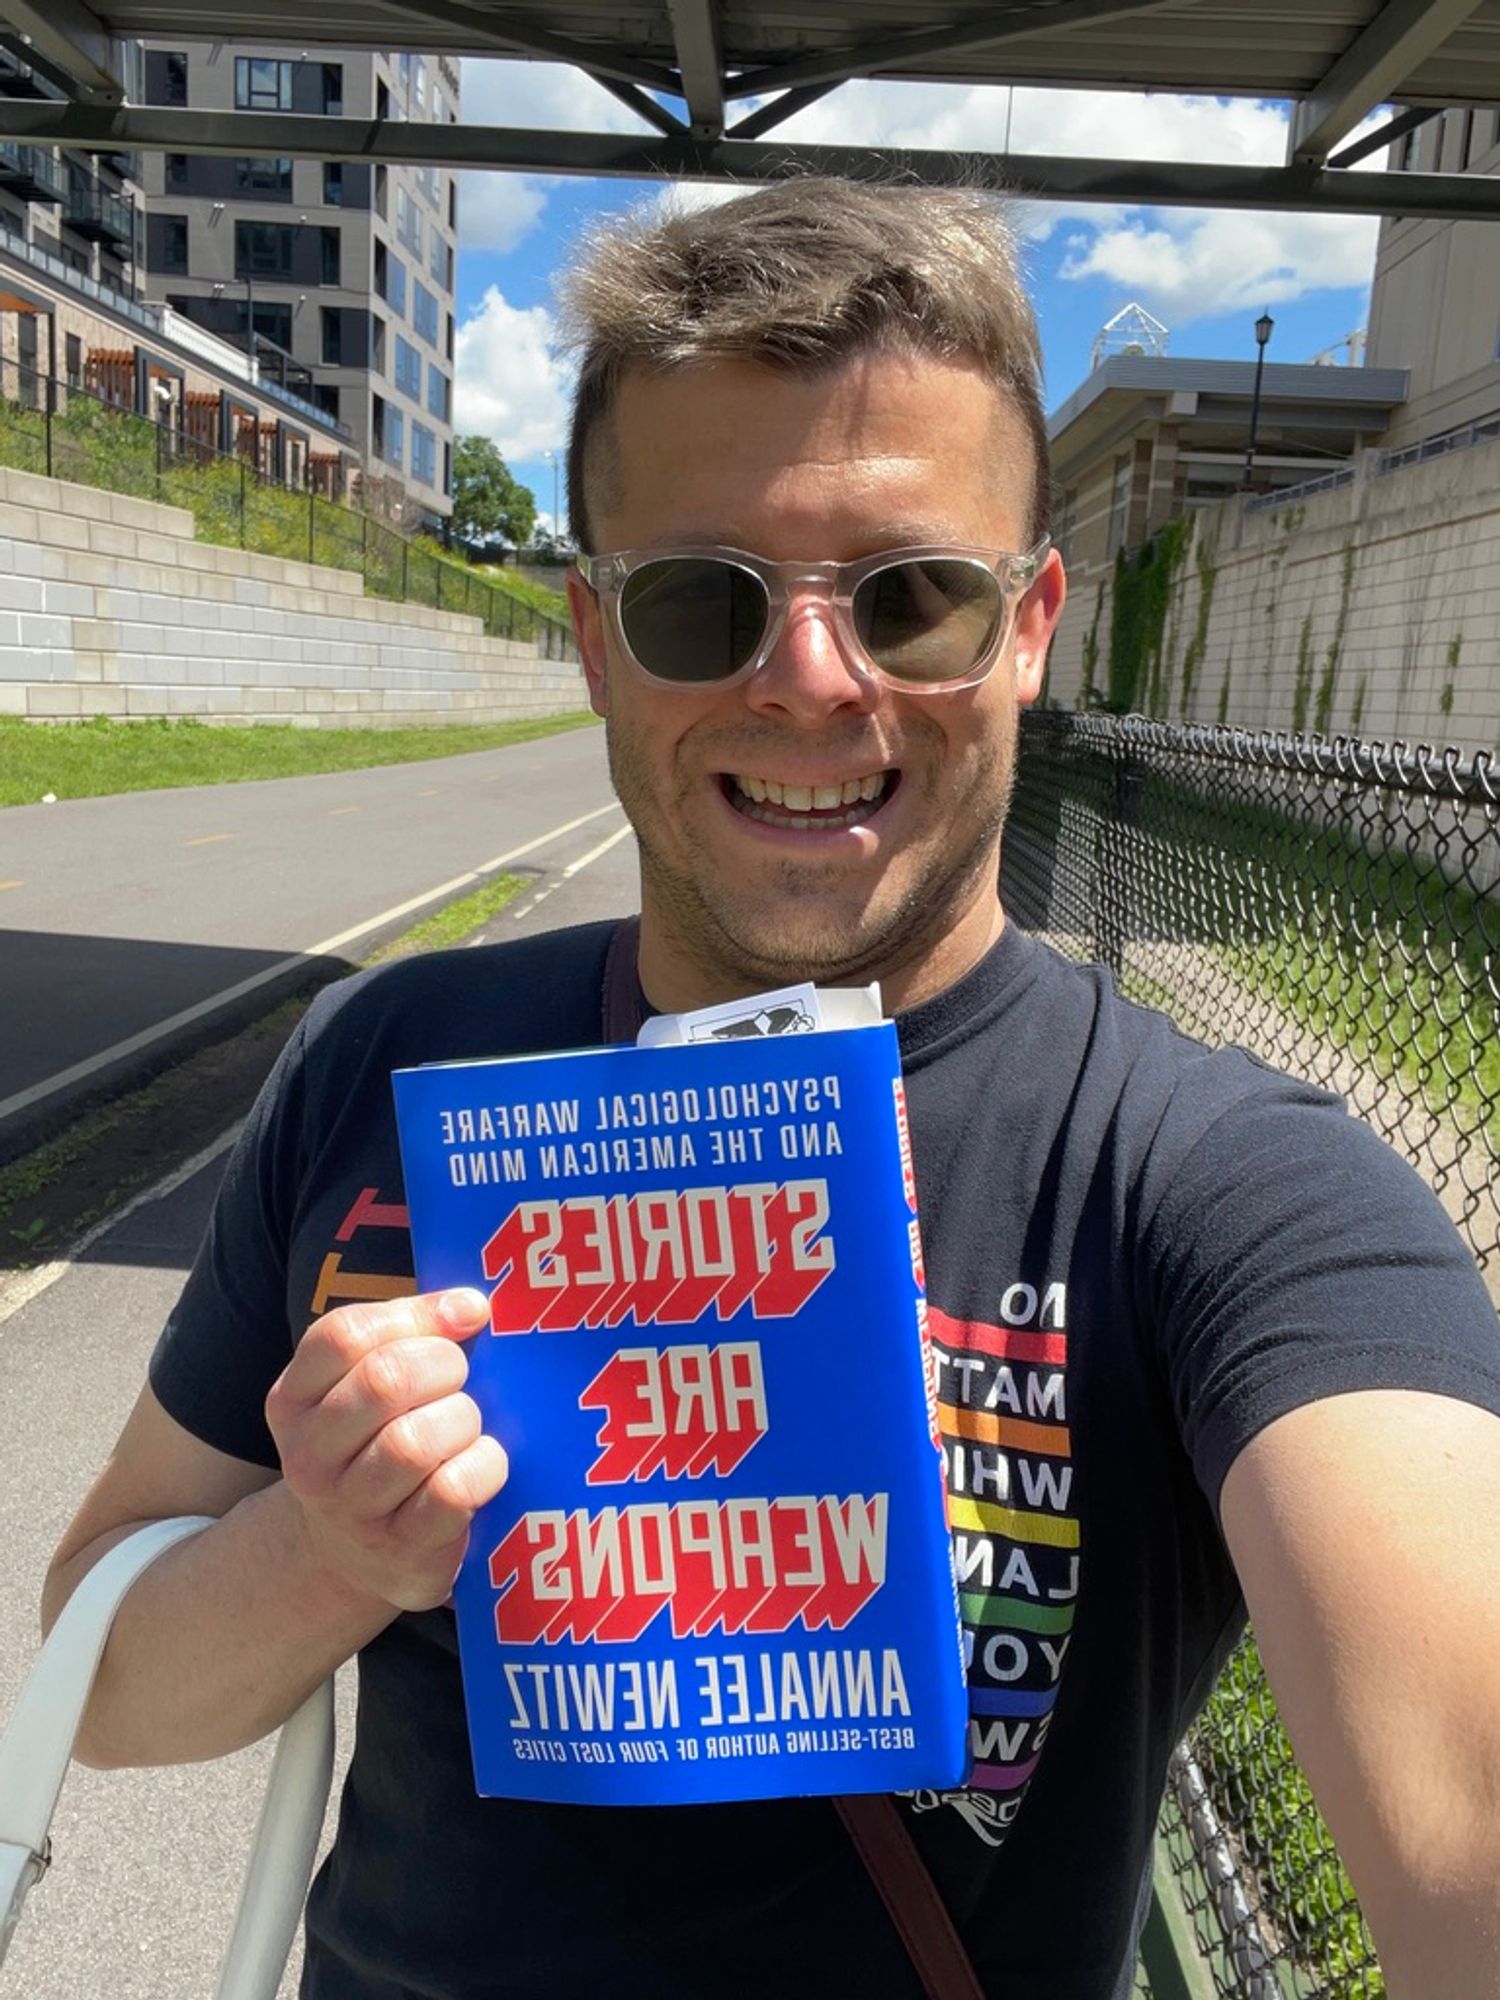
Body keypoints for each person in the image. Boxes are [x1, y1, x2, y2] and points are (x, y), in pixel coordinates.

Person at [43, 180, 1500, 2000]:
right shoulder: (386, 1064)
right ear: (594, 639)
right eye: (698, 600)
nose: (811, 680)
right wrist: (330, 1551)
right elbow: (93, 1681)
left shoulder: (1205, 1185)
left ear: (1030, 629)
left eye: (911, 598)